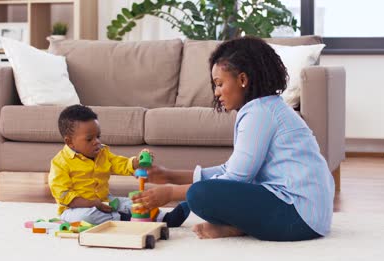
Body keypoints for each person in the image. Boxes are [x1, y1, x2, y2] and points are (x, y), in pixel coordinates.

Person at [132, 36, 335, 241]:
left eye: (219, 84)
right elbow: (229, 171)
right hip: (310, 215)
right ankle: (238, 227)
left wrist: (170, 193)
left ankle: (240, 226)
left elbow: (235, 177)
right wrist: (169, 176)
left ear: (243, 80)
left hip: (297, 215)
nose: (217, 93)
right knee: (201, 191)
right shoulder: (265, 107)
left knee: (198, 195)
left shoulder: (259, 113)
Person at [49, 104, 189, 227]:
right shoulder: (60, 163)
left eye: (98, 136)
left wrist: (136, 162)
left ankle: (164, 218)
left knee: (133, 202)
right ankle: (124, 218)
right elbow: (64, 196)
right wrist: (93, 203)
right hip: (76, 208)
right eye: (89, 139)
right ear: (69, 142)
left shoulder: (102, 152)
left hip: (106, 201)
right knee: (85, 217)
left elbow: (119, 163)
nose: (96, 142)